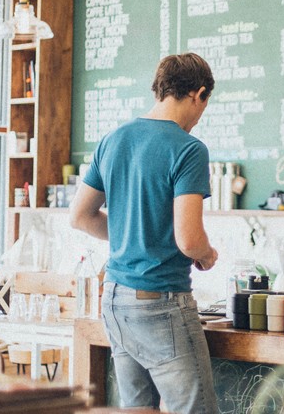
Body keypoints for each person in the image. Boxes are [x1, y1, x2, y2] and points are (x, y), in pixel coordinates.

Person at [69, 53, 219, 413]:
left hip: (115, 299)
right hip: (161, 302)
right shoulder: (188, 149)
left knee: (137, 410)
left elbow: (80, 216)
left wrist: (128, 237)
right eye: (205, 104)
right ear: (198, 94)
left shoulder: (113, 139)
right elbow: (189, 239)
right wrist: (207, 254)